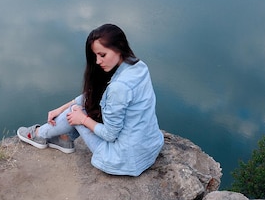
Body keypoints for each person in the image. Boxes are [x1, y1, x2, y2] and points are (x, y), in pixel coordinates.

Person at [17, 23, 164, 176]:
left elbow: (109, 135)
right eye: (95, 56)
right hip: (149, 147)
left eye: (102, 55)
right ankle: (64, 137)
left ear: (119, 47)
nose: (98, 61)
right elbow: (97, 96)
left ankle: (40, 134)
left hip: (124, 159)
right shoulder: (139, 67)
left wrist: (82, 119)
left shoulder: (118, 87)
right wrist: (60, 108)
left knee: (76, 111)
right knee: (79, 108)